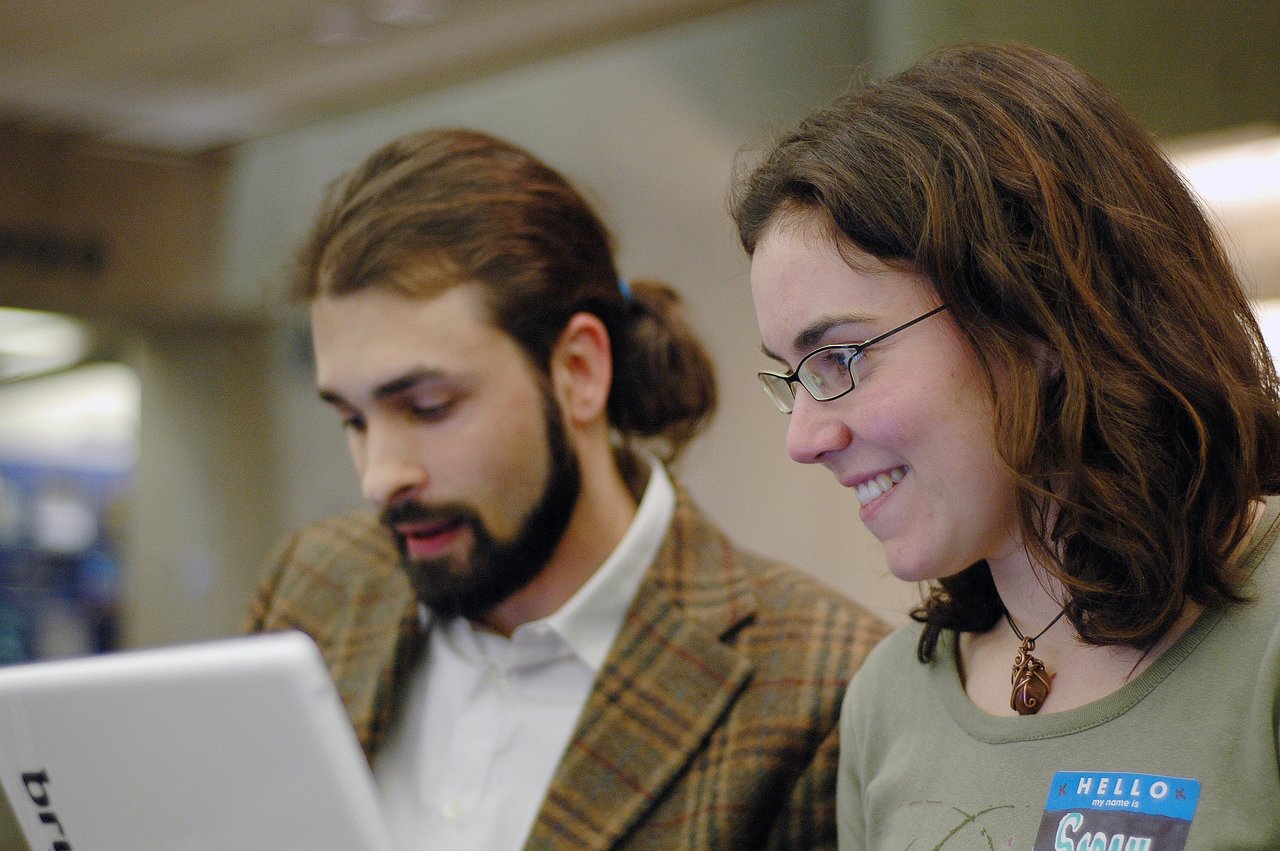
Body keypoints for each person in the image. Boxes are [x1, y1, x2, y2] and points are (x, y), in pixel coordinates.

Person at [247, 128, 887, 850]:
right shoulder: (315, 585)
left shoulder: (820, 687)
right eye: (353, 419)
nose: (380, 476)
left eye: (428, 407)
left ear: (579, 370)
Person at [734, 42, 1280, 849]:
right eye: (793, 376)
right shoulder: (890, 700)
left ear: (1032, 315)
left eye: (841, 359)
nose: (805, 438)